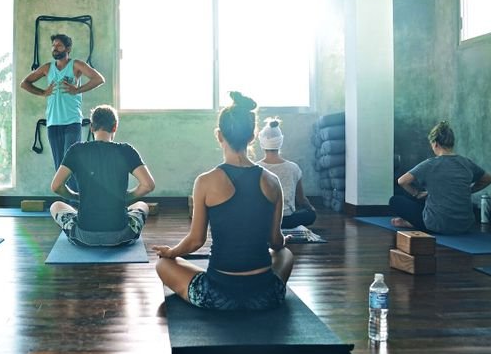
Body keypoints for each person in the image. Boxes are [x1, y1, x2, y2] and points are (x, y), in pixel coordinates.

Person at [152, 92, 294, 311]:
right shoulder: (272, 181)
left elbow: (195, 241)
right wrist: (283, 242)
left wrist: (170, 253)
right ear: (252, 136)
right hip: (265, 295)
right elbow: (276, 242)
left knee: (163, 264)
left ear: (219, 135)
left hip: (218, 295)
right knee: (285, 253)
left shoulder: (205, 182)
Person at [49, 104, 155, 246]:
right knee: (142, 205)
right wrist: (125, 197)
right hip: (121, 236)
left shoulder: (76, 150)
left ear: (92, 127)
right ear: (115, 127)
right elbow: (148, 185)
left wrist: (76, 197)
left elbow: (56, 186)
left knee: (56, 206)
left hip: (83, 236)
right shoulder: (126, 150)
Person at [20, 34, 105, 191]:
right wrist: (43, 92)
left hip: (72, 122)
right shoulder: (47, 68)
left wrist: (78, 89)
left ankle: (79, 202)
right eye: (53, 45)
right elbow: (24, 83)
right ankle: (68, 203)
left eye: (59, 45)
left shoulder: (76, 65)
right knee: (60, 166)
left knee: (71, 162)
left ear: (68, 48)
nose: (55, 48)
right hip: (53, 123)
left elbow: (98, 79)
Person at [389, 121, 491, 234]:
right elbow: (488, 179)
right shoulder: (466, 163)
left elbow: (402, 181)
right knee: (427, 199)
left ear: (435, 144)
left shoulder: (430, 164)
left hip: (438, 225)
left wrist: (417, 193)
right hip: (464, 225)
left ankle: (412, 224)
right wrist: (469, 190)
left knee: (395, 200)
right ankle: (416, 221)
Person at [255, 117, 317, 229]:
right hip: (287, 220)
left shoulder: (255, 168)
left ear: (262, 143)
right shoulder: (294, 168)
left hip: (263, 220)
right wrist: (311, 208)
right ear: (280, 142)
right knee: (310, 215)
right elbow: (301, 199)